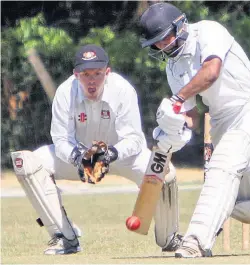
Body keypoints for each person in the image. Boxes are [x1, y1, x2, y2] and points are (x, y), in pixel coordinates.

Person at [139, 3, 250, 258]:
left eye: (165, 38)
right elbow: (191, 117)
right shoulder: (173, 68)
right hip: (222, 123)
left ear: (180, 25)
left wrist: (177, 99)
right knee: (239, 204)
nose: (163, 46)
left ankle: (195, 241)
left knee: (224, 164)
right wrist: (170, 129)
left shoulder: (208, 31)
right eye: (156, 43)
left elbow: (211, 72)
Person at [10, 44, 183, 255]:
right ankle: (64, 237)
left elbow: (135, 138)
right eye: (85, 74)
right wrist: (78, 157)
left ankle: (169, 237)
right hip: (79, 158)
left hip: (120, 156)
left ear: (107, 73)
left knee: (165, 170)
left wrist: (109, 154)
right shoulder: (66, 92)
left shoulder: (122, 89)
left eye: (98, 74)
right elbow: (61, 138)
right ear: (76, 74)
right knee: (27, 162)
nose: (92, 80)